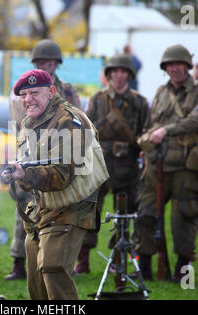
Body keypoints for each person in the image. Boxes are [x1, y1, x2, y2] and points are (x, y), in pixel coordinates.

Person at [1, 69, 108, 299]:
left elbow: (61, 176)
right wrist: (18, 173)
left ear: (51, 92)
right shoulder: (30, 123)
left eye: (34, 93)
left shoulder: (68, 121)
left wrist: (25, 174)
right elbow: (28, 167)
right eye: (24, 95)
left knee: (53, 268)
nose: (28, 99)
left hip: (71, 206)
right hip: (43, 208)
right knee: (36, 280)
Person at [135, 44, 198, 281]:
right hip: (155, 164)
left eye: (178, 64)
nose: (174, 68)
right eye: (169, 65)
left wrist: (164, 131)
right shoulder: (161, 92)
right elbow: (152, 123)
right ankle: (146, 269)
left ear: (187, 66)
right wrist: (145, 139)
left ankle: (182, 273)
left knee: (184, 217)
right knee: (146, 214)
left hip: (184, 166)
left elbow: (197, 122)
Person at [4, 38, 81, 281]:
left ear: (56, 64)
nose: (46, 66)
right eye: (41, 62)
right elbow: (20, 124)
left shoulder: (67, 91)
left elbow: (78, 120)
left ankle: (59, 263)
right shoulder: (22, 91)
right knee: (25, 208)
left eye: (49, 62)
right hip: (31, 152)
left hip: (59, 155)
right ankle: (20, 261)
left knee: (60, 211)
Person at [78, 53, 148, 274]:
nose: (118, 76)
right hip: (98, 164)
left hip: (126, 167)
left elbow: (145, 132)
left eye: (123, 72)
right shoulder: (97, 99)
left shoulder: (139, 101)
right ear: (108, 75)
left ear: (129, 75)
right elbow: (86, 129)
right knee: (89, 213)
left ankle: (119, 259)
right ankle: (83, 260)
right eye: (114, 72)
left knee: (125, 215)